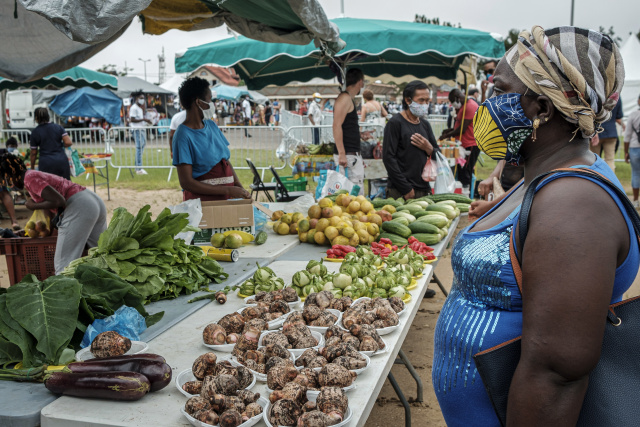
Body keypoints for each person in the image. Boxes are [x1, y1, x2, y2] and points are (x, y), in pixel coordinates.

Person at [432, 26, 634, 426]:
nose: (487, 104)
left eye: (498, 91)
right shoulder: (543, 175)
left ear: (541, 108)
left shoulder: (575, 206)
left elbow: (556, 374)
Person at [0, 154, 106, 273]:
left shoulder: (29, 179)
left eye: (5, 180)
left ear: (11, 174)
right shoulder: (32, 175)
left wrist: (33, 205)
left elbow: (58, 200)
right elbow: (49, 205)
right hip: (91, 201)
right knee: (101, 256)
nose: (8, 185)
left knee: (63, 266)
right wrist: (47, 230)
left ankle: (65, 291)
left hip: (78, 206)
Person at [173, 77, 250, 202]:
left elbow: (225, 160)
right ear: (198, 102)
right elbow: (186, 182)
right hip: (203, 203)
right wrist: (228, 190)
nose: (212, 104)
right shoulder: (182, 136)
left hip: (225, 199)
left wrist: (238, 185)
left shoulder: (212, 125)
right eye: (210, 100)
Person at [383, 80, 440, 200]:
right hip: (401, 191)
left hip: (423, 188)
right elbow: (388, 158)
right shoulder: (395, 123)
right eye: (421, 100)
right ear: (408, 100)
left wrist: (429, 149)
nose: (425, 104)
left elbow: (437, 154)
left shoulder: (425, 124)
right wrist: (406, 188)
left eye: (427, 101)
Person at [333, 68, 366, 194]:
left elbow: (346, 127)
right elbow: (336, 125)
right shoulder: (344, 98)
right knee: (351, 197)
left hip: (351, 156)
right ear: (360, 82)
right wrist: (342, 153)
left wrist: (361, 135)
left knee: (354, 197)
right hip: (348, 156)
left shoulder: (347, 99)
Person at [440, 88, 479, 190]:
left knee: (466, 171)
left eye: (453, 101)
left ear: (457, 98)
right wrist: (448, 131)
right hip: (464, 144)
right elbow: (458, 126)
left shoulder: (470, 106)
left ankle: (467, 192)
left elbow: (462, 129)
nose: (453, 104)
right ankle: (463, 189)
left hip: (471, 144)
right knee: (462, 170)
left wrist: (446, 135)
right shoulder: (463, 106)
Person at [29, 108, 72, 180]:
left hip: (46, 163)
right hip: (61, 161)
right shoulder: (58, 127)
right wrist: (60, 145)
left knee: (49, 187)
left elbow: (33, 153)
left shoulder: (35, 132)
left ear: (36, 118)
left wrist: (32, 167)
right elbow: (68, 142)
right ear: (48, 116)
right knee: (65, 186)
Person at [590, 98, 624, 170]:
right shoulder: (617, 97)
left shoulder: (596, 94)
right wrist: (624, 126)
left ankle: (597, 179)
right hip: (611, 132)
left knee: (595, 160)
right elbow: (618, 117)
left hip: (596, 131)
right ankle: (609, 180)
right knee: (610, 160)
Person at [128, 91, 153, 175]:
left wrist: (146, 121)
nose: (142, 100)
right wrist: (144, 120)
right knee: (139, 148)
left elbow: (139, 119)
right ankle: (139, 168)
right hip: (136, 130)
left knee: (142, 146)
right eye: (141, 98)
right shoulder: (134, 108)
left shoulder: (139, 108)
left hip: (141, 129)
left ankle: (137, 167)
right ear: (136, 99)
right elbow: (132, 119)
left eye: (143, 98)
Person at [624, 94, 640, 207]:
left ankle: (635, 200)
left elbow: (627, 135)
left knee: (635, 174)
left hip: (635, 147)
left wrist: (626, 152)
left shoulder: (633, 114)